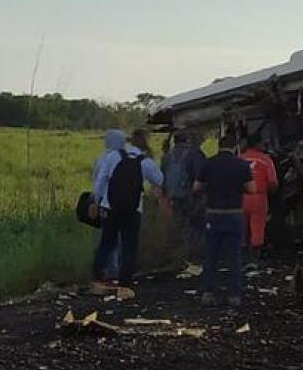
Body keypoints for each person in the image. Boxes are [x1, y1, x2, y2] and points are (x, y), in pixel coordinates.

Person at [91, 130, 163, 299]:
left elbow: (101, 179)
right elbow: (159, 180)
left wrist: (95, 201)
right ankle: (125, 286)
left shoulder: (113, 156)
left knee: (107, 243)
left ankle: (97, 280)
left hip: (110, 208)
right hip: (133, 210)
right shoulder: (145, 161)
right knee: (129, 246)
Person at [195, 136, 255, 307]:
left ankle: (208, 292)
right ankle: (234, 295)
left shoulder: (208, 164)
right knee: (234, 256)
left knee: (211, 255)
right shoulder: (241, 165)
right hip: (234, 214)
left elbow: (196, 188)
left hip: (213, 214)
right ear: (235, 148)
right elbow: (252, 189)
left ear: (218, 147)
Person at [161, 131, 207, 263]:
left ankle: (179, 256)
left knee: (179, 226)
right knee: (196, 226)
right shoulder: (194, 154)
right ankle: (195, 256)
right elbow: (201, 176)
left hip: (174, 197)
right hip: (192, 197)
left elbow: (162, 177)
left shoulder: (167, 156)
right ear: (187, 140)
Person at [90, 130, 127, 289]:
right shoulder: (123, 156)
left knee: (108, 239)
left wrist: (94, 201)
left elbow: (97, 181)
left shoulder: (101, 158)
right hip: (122, 204)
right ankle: (113, 271)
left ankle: (104, 272)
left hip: (105, 204)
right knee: (117, 240)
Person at [240, 137, 279, 267]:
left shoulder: (239, 158)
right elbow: (273, 182)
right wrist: (271, 193)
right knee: (257, 226)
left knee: (242, 226)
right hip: (258, 197)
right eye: (264, 143)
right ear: (257, 144)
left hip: (240, 197)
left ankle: (242, 257)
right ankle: (254, 258)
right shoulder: (265, 159)